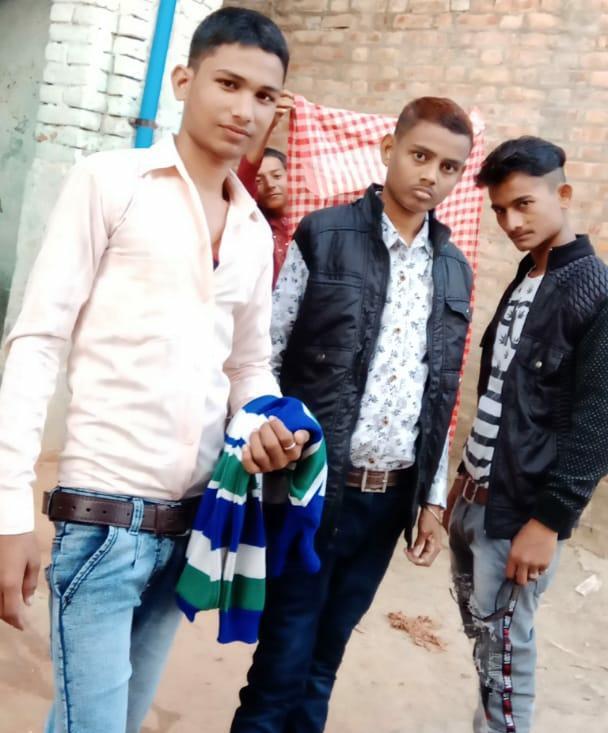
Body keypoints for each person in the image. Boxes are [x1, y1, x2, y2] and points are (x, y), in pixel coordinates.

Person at [0, 8, 308, 733]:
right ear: (183, 80)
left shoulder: (253, 229)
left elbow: (248, 364)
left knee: (111, 720)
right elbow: (38, 341)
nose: (245, 109)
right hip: (103, 522)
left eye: (264, 95)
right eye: (228, 83)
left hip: (195, 524)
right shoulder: (110, 183)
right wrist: (8, 511)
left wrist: (269, 423)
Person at [231, 96, 476, 733]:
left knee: (324, 662)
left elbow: (440, 391)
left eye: (449, 167)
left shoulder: (453, 269)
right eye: (420, 155)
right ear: (388, 150)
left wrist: (431, 497)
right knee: (283, 660)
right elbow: (269, 351)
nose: (431, 176)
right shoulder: (324, 235)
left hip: (389, 499)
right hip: (313, 489)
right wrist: (263, 442)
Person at [445, 136, 608, 733]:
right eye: (500, 210)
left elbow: (598, 422)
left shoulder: (594, 289)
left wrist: (549, 521)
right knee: (489, 648)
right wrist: (462, 482)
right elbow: (500, 394)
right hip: (477, 501)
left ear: (562, 194)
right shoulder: (527, 276)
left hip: (520, 517)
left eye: (524, 204)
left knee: (506, 662)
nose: (511, 222)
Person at [237, 91, 294, 286]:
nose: (270, 185)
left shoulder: (310, 222)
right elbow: (247, 169)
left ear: (291, 176)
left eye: (277, 176)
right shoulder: (254, 223)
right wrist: (270, 123)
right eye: (259, 180)